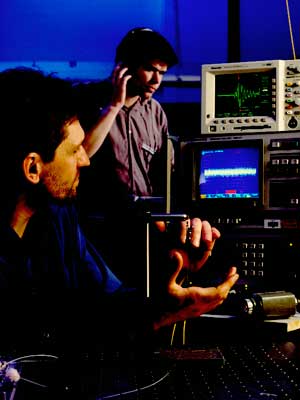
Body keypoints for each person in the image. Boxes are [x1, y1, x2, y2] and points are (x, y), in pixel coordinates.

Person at [0, 67, 238, 356]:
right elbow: (52, 342)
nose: (85, 160)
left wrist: (174, 277)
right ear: (33, 168)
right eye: (75, 149)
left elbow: (108, 303)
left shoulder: (60, 217)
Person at [74, 27, 181, 286]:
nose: (157, 80)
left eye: (162, 73)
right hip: (98, 233)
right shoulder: (86, 101)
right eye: (151, 70)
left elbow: (166, 177)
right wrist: (114, 106)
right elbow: (80, 156)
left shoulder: (156, 113)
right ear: (124, 67)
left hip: (145, 231)